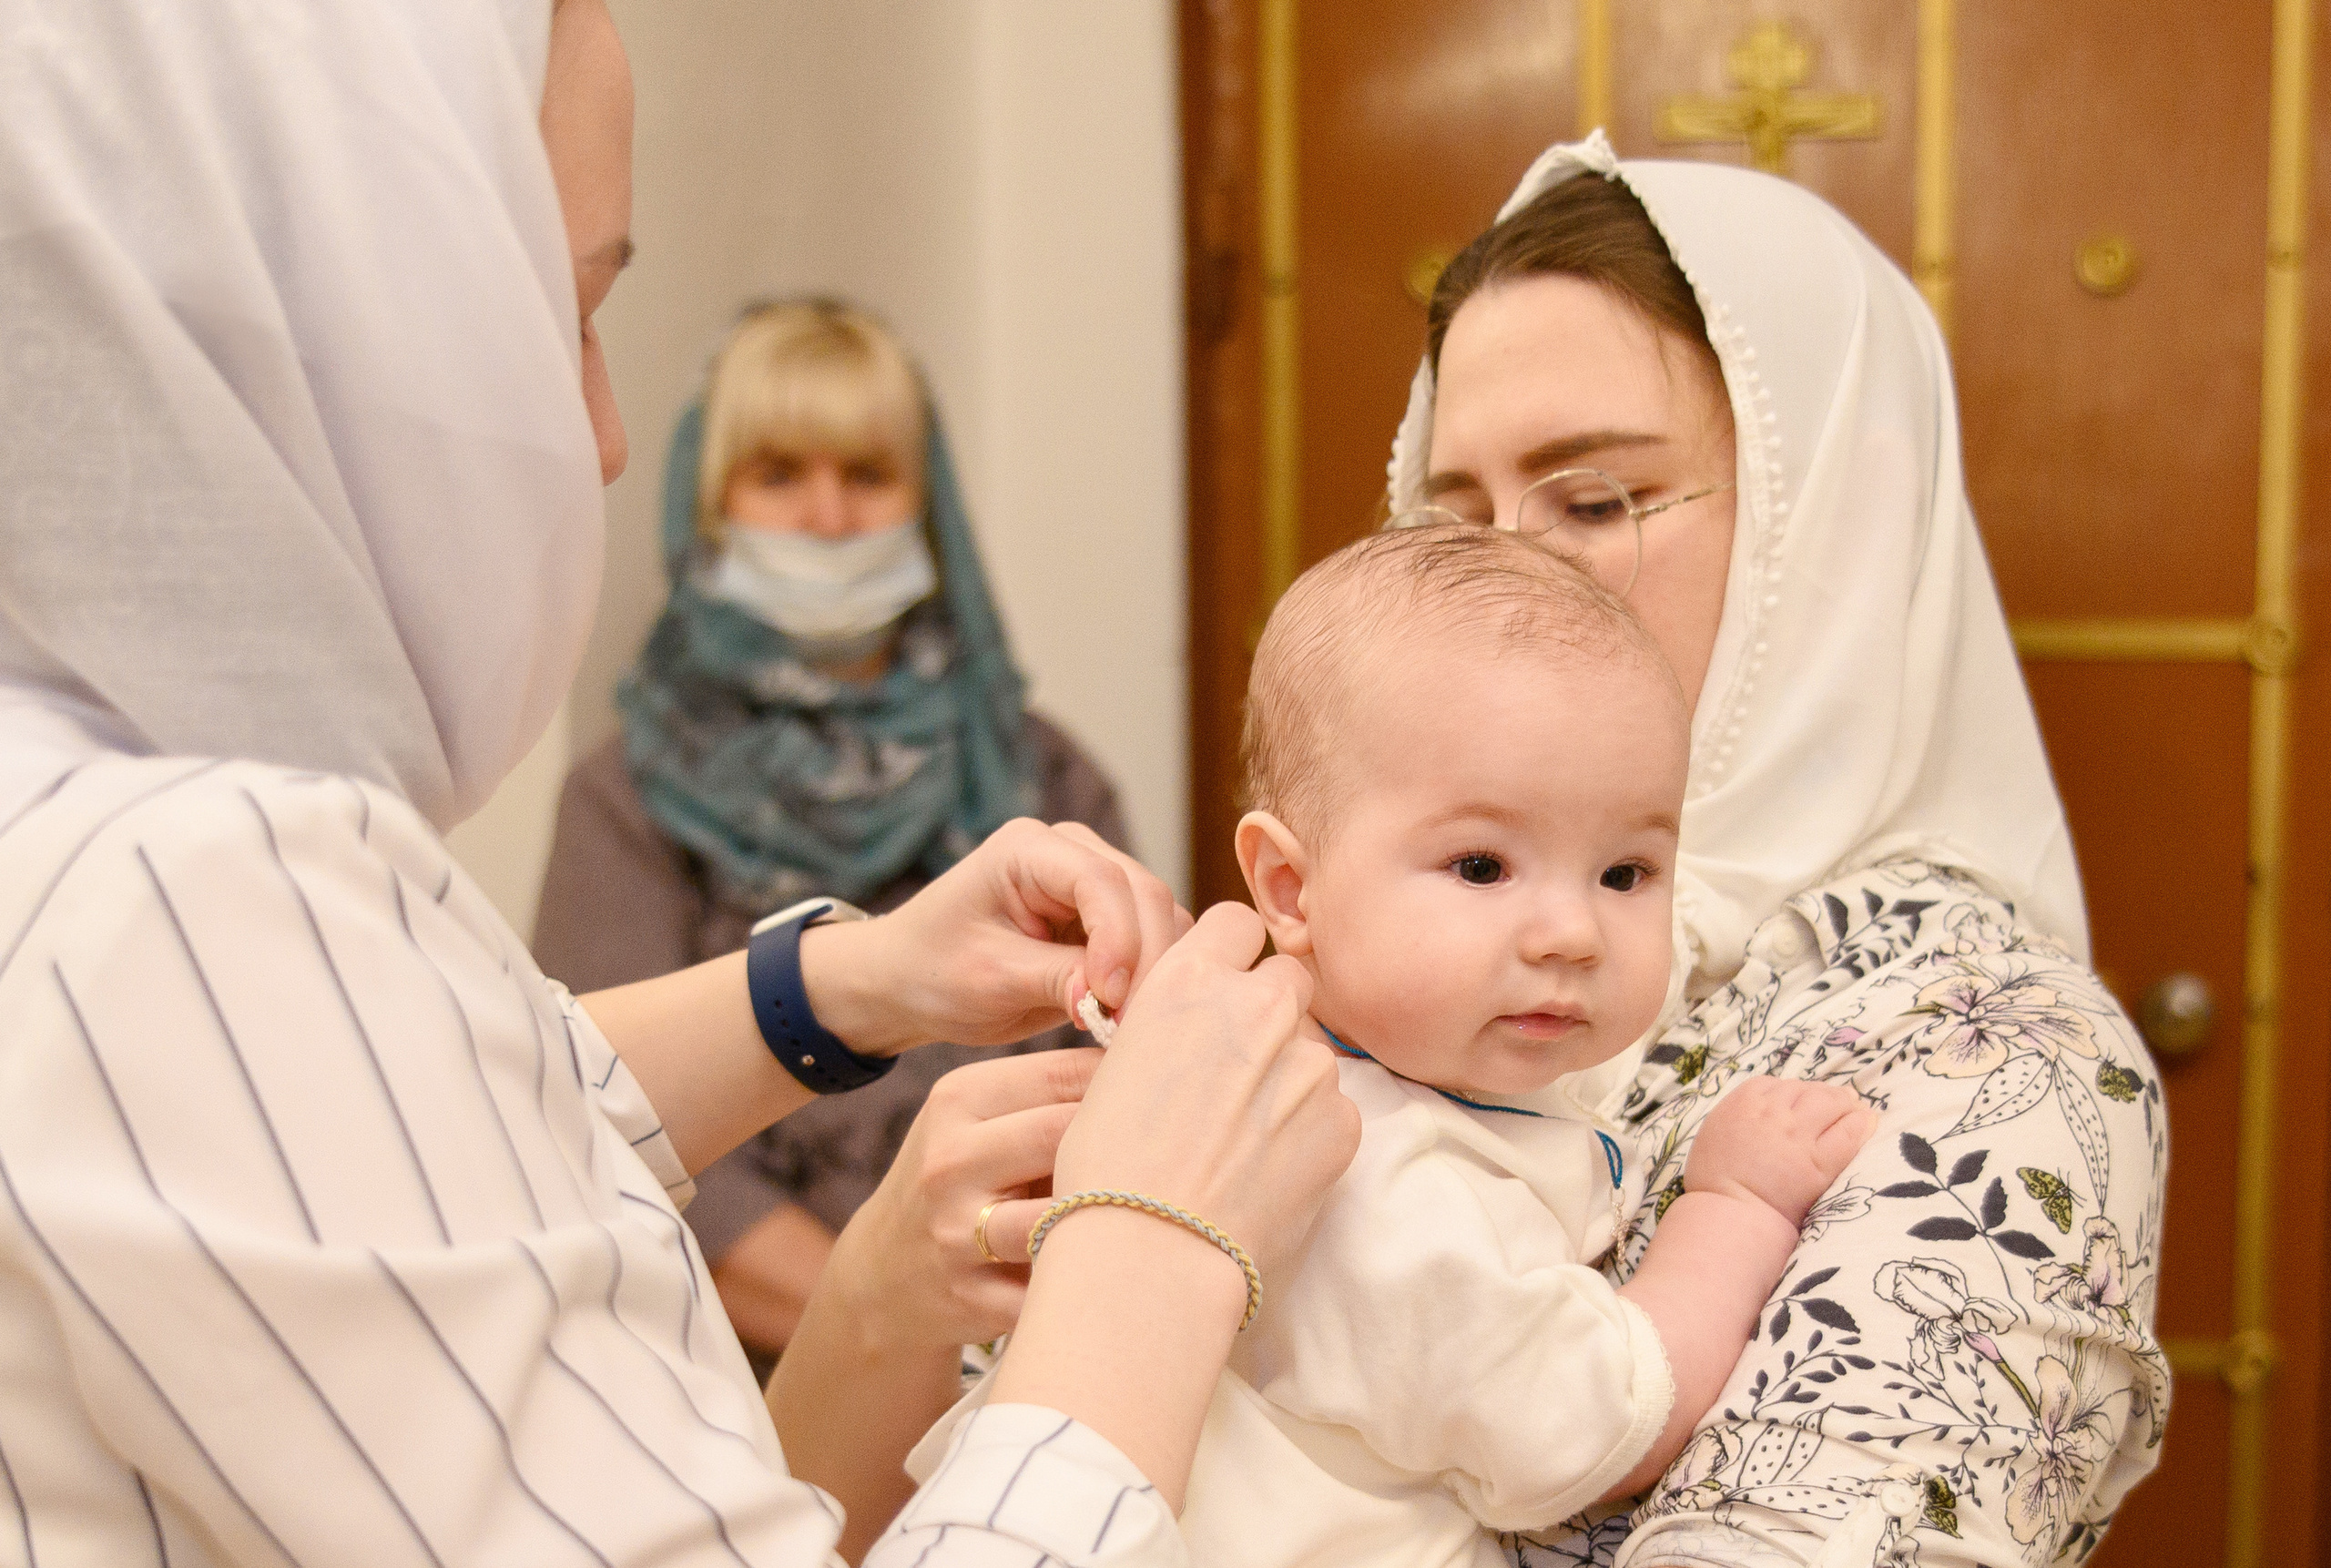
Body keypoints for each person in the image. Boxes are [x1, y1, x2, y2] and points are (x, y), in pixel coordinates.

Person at [0, 5, 1358, 1567]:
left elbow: (431, 1112)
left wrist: (847, 983)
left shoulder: (113, 841)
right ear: (325, 332)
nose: (599, 436)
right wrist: (1155, 1242)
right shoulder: (202, 888)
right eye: (569, 316)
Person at [1389, 134, 2168, 1567]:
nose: (1499, 575)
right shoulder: (1392, 943)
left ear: (1837, 526)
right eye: (1459, 520)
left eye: (1593, 500)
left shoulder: (1997, 1060)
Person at [921, 524, 1878, 1567]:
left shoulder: (1336, 1073)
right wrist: (1734, 1210)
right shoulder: (1366, 1182)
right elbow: (1597, 1432)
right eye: (1480, 867)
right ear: (1290, 889)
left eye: (1625, 873)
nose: (1572, 933)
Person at [534, 296, 1131, 1370]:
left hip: (1040, 1344)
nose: (826, 516)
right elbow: (597, 1124)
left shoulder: (1041, 775)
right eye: (777, 475)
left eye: (865, 475)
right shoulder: (627, 797)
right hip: (735, 1374)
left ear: (928, 505)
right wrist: (903, 1324)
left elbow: (1123, 1079)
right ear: (709, 507)